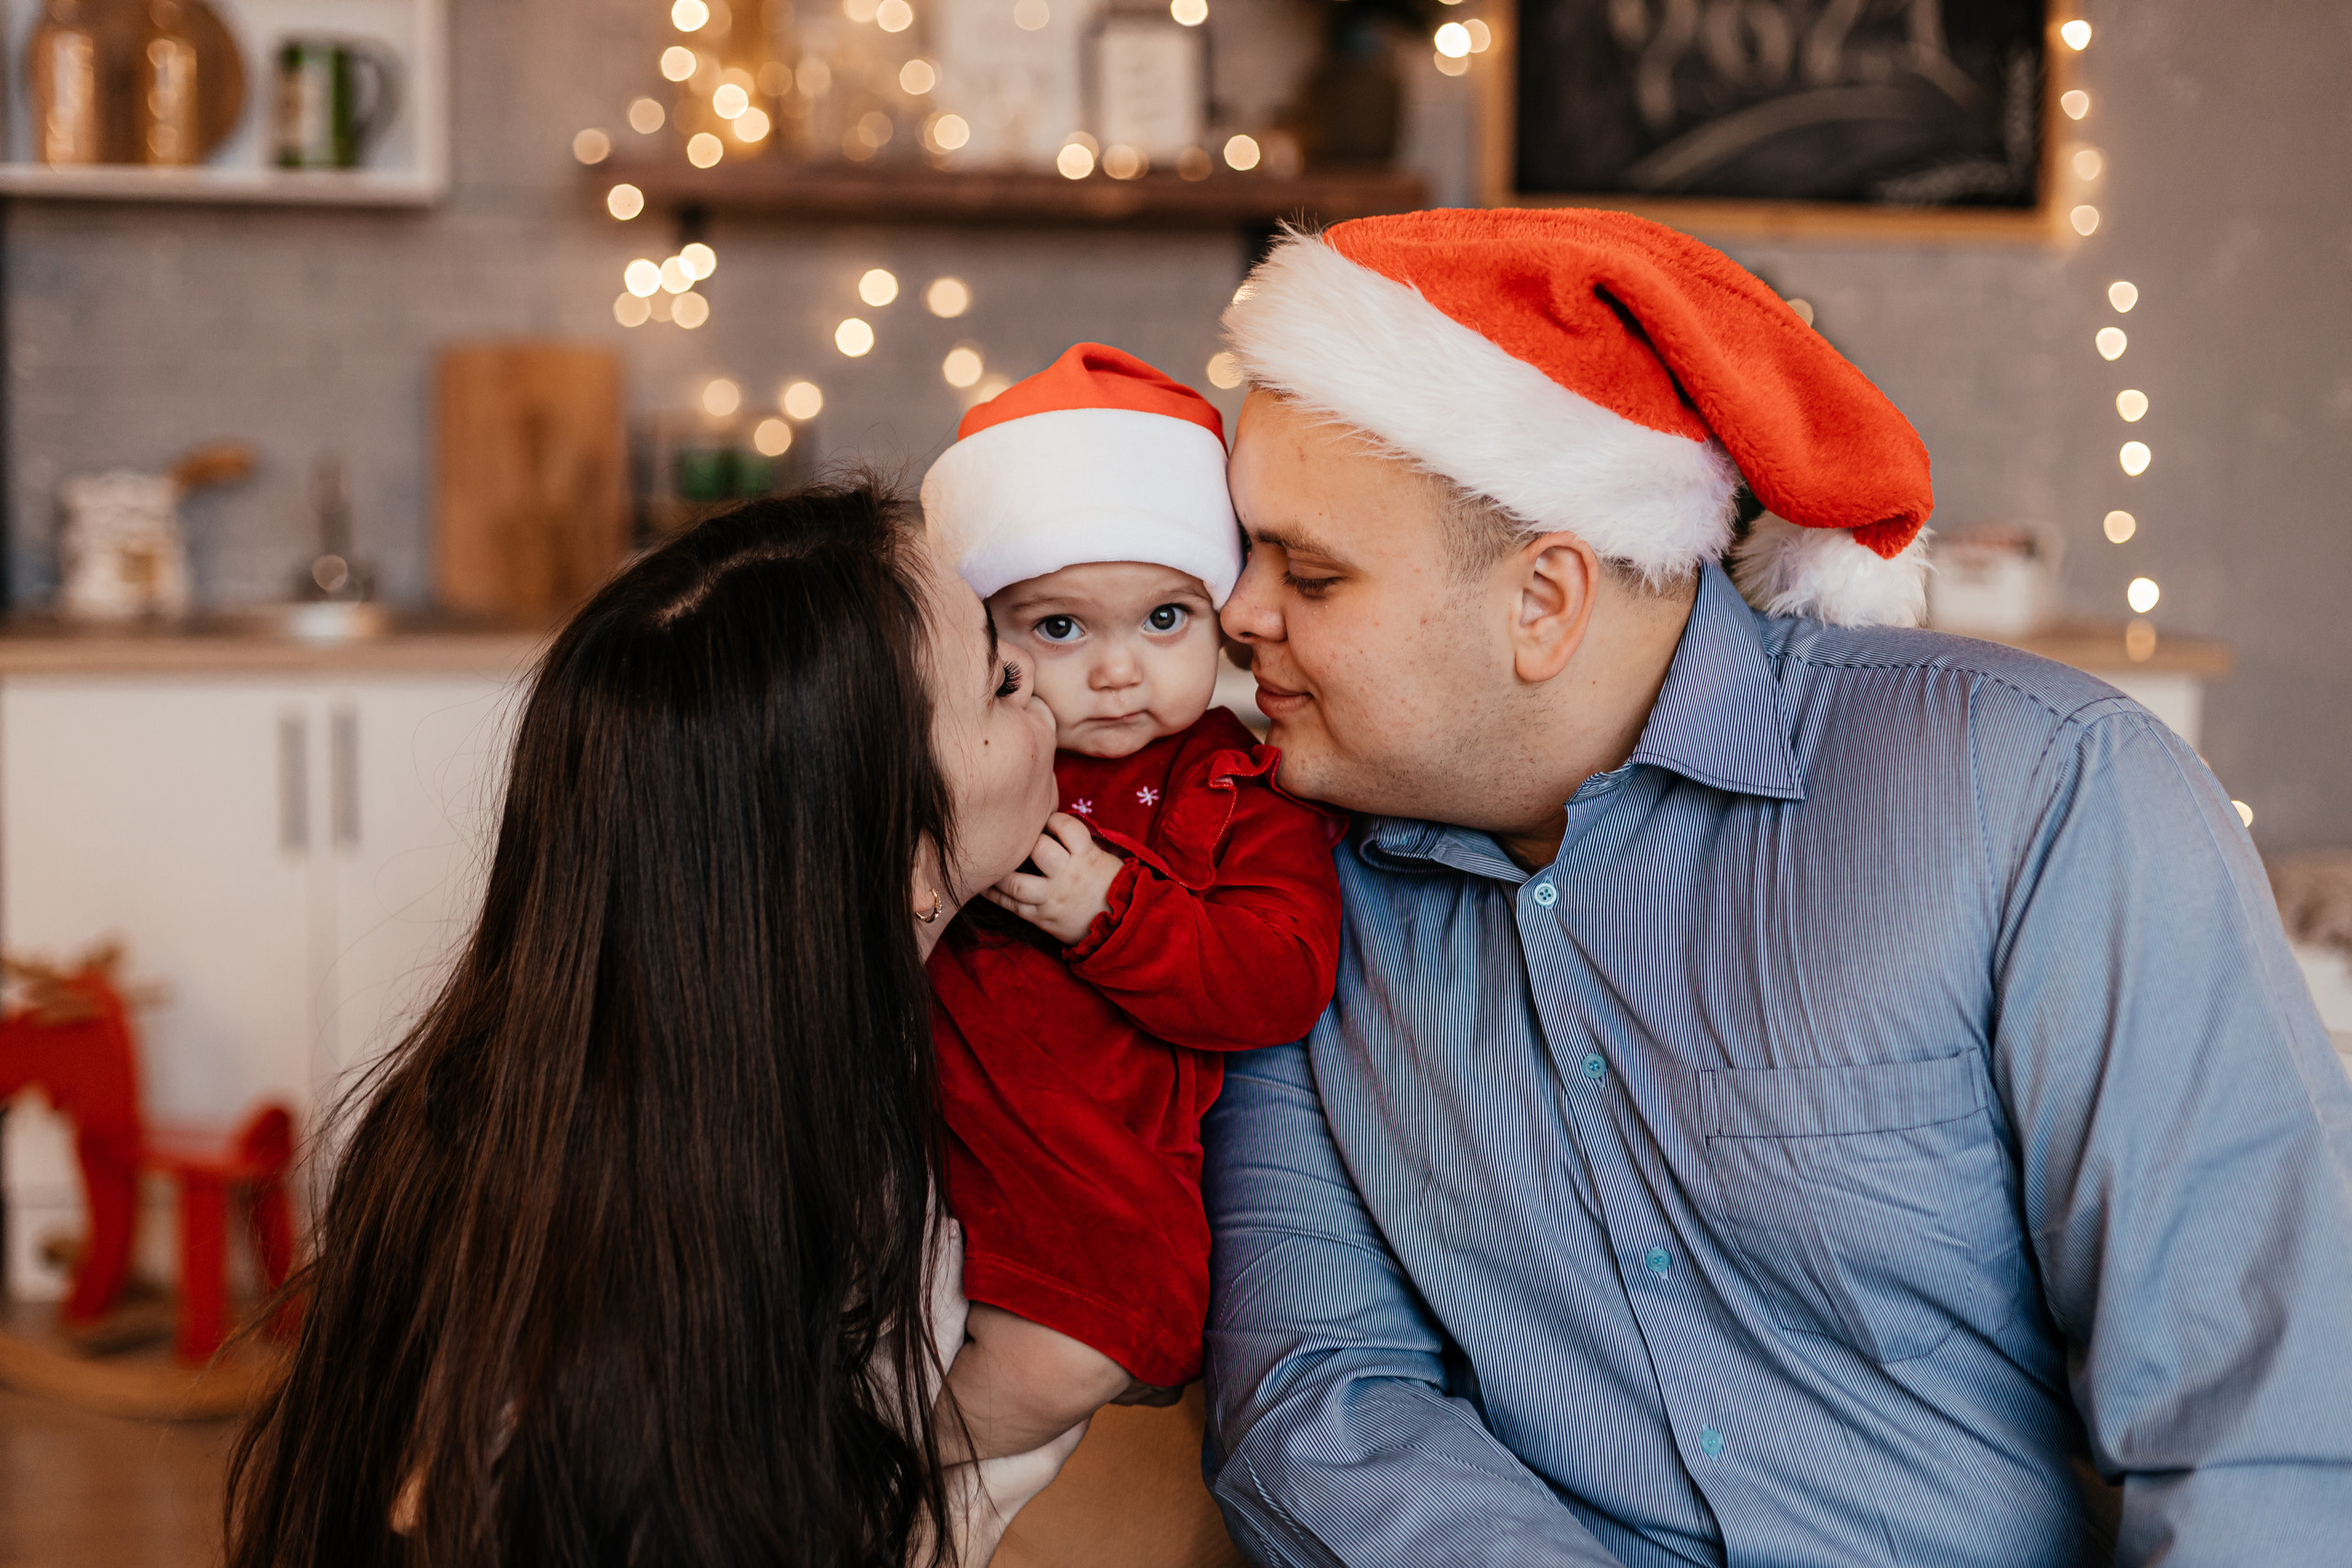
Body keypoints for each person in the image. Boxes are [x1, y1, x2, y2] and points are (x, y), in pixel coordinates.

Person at [1199, 209, 2352, 1565]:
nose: (1239, 613)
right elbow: (1321, 1395)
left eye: (1310, 572)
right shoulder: (1273, 896)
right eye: (1245, 553)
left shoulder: (2036, 789)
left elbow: (2262, 1414)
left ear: (1545, 600)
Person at [226, 484, 1086, 1567]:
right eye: (1001, 681)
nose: (1048, 687)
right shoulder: (734, 1220)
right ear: (896, 854)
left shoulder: (535, 1086)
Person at [919, 344, 1345, 1465]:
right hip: (913, 1129)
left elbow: (1280, 977)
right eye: (1060, 628)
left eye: (1163, 618)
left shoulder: (1239, 787)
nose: (1117, 672)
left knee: (1065, 1359)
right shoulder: (961, 751)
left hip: (1085, 1167)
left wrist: (1115, 910)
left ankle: (872, 1483)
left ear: (1222, 618)